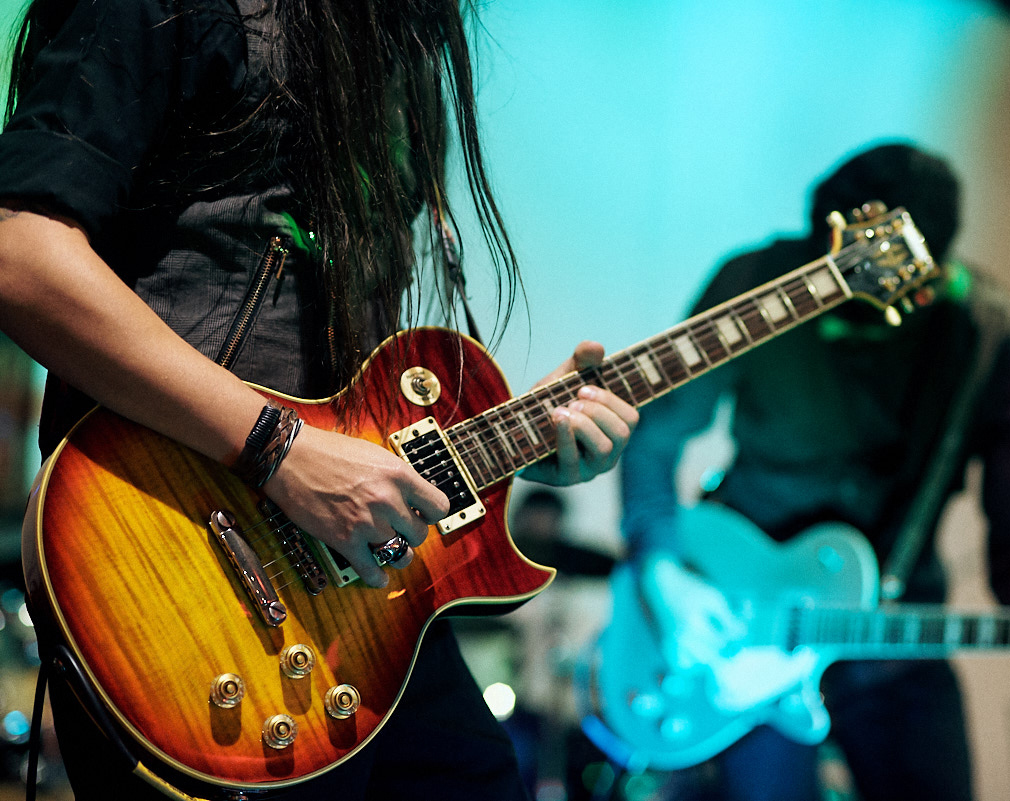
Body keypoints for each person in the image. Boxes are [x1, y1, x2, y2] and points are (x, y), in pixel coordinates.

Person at [0, 2, 637, 800]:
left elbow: (346, 401)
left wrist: (507, 446)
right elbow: (19, 252)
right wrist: (280, 448)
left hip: (350, 610)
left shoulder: (390, 38)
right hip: (182, 574)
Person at [617, 142, 1010, 801]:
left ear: (928, 273)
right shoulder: (758, 282)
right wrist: (664, 573)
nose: (830, 309)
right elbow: (654, 437)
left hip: (894, 645)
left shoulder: (1004, 350)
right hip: (742, 625)